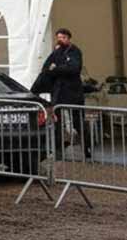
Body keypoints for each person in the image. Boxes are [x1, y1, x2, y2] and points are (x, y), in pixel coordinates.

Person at [38, 28, 90, 159]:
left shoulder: (75, 51)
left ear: (68, 38)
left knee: (78, 122)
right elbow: (46, 68)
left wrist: (56, 69)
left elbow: (74, 68)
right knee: (57, 124)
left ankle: (87, 149)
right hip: (58, 93)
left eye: (63, 38)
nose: (60, 40)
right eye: (59, 38)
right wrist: (57, 69)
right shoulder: (56, 52)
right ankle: (59, 151)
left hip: (73, 93)